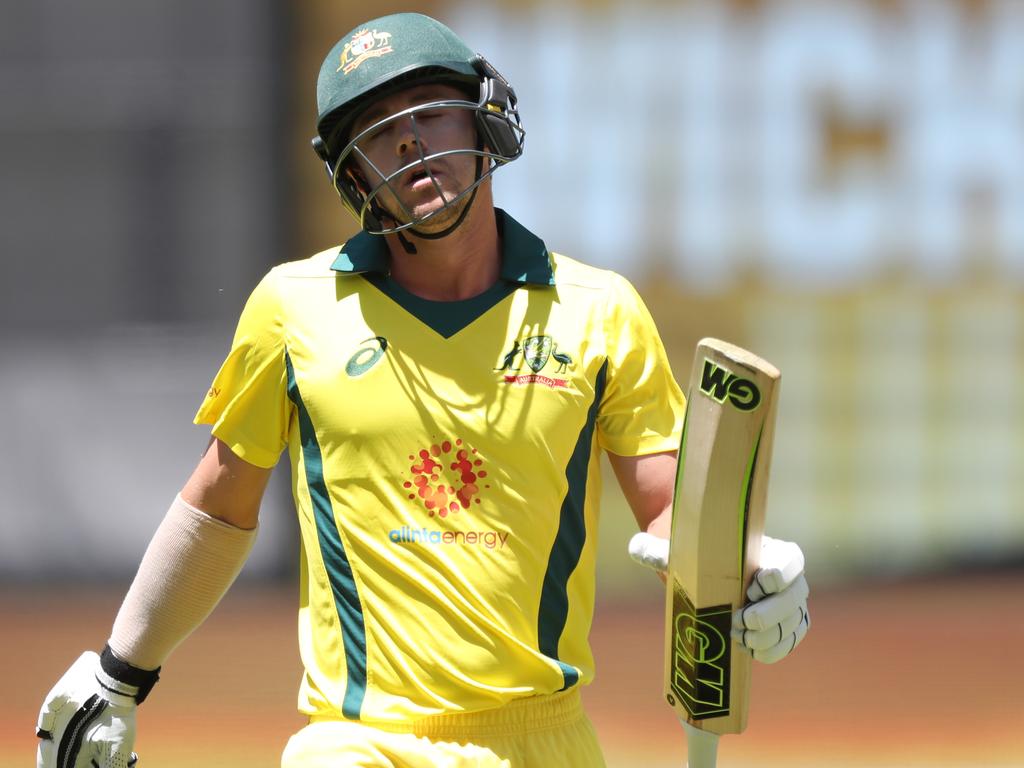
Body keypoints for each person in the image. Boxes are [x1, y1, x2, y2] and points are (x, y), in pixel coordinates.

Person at [36, 12, 810, 768]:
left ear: (483, 122)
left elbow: (674, 515)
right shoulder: (293, 307)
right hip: (356, 739)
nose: (408, 139)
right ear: (352, 173)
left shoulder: (600, 311)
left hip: (545, 738)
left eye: (429, 112)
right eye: (376, 128)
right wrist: (119, 674)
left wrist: (750, 572)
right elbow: (218, 502)